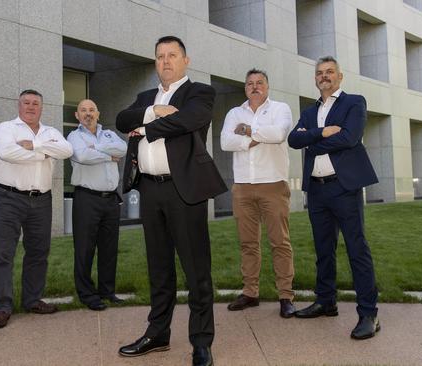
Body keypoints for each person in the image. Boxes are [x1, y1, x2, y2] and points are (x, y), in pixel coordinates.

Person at [116, 36, 227, 366]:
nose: (165, 61)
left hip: (184, 190)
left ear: (185, 60)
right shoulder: (145, 97)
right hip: (150, 190)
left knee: (196, 270)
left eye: (172, 55)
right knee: (159, 268)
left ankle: (202, 342)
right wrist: (151, 111)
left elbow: (189, 120)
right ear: (155, 62)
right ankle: (157, 334)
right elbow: (123, 119)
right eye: (160, 56)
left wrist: (145, 128)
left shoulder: (200, 93)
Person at [287, 56, 380, 339]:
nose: (324, 76)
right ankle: (326, 301)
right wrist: (323, 132)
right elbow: (293, 139)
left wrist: (312, 141)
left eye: (329, 72)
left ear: (340, 76)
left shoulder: (354, 102)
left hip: (345, 187)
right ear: (315, 78)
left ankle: (368, 314)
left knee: (356, 249)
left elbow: (350, 138)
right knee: (323, 250)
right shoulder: (308, 110)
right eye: (319, 73)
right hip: (316, 190)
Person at [0, 89, 73, 329]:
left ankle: (33, 300)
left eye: (36, 103)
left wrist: (33, 145)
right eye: (26, 102)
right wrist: (45, 152)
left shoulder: (51, 132)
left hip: (42, 200)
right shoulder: (6, 128)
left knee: (38, 252)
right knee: (2, 254)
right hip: (8, 198)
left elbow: (66, 151)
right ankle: (2, 307)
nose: (31, 106)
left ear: (42, 107)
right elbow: (7, 153)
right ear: (18, 105)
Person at [221, 69, 296, 318]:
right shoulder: (234, 113)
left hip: (273, 184)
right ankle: (250, 293)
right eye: (250, 83)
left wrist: (247, 130)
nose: (255, 87)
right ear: (245, 88)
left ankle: (285, 295)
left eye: (260, 82)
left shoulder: (280, 109)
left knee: (280, 242)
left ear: (267, 86)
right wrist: (251, 139)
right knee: (248, 243)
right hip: (242, 187)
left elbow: (279, 134)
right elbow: (225, 142)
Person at [67, 99, 127, 311]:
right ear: (77, 115)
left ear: (98, 113)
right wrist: (108, 155)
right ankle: (86, 294)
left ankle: (107, 291)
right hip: (87, 198)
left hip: (110, 199)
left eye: (92, 109)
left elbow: (123, 148)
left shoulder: (109, 134)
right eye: (83, 110)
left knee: (109, 248)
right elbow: (83, 155)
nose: (88, 113)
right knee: (84, 248)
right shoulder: (74, 136)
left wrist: (98, 147)